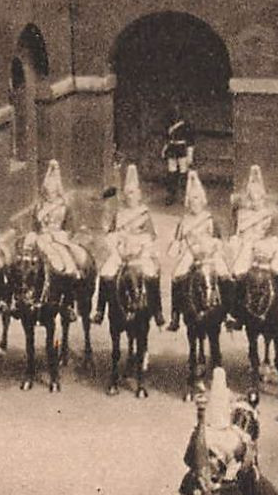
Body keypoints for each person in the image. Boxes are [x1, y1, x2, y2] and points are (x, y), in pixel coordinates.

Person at [93, 163, 162, 327]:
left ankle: (157, 310)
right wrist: (117, 241)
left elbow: (151, 235)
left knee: (151, 273)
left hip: (140, 251)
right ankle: (100, 310)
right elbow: (111, 232)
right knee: (105, 273)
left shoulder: (144, 214)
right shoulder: (119, 214)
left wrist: (140, 245)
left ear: (139, 195)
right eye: (127, 193)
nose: (130, 196)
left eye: (133, 193)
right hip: (122, 251)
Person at [163, 169, 228, 332]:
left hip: (209, 254)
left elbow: (219, 240)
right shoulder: (184, 221)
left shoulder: (210, 219)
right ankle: (175, 316)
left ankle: (228, 313)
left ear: (203, 200)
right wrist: (175, 249)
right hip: (190, 254)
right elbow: (177, 242)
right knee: (177, 276)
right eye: (192, 200)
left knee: (225, 274)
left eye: (197, 199)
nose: (195, 203)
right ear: (188, 202)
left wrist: (213, 247)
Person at [226, 163, 278, 280]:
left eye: (259, 197)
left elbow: (274, 235)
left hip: (262, 243)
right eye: (252, 198)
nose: (256, 201)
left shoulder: (269, 213)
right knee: (238, 262)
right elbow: (235, 232)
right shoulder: (242, 213)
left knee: (276, 256)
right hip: (244, 243)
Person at [161, 106, 194, 204]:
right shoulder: (169, 124)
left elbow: (190, 141)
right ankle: (171, 195)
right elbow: (168, 139)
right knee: (171, 171)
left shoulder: (186, 124)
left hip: (181, 148)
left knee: (184, 171)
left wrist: (190, 154)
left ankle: (185, 196)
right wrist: (164, 149)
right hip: (172, 148)